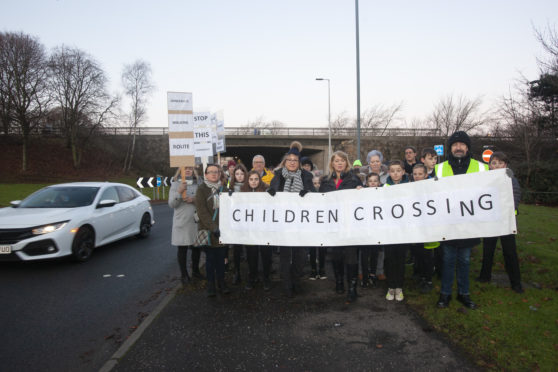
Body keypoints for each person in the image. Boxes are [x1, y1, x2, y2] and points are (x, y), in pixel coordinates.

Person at [435, 131, 488, 309]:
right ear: (450, 148)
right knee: (448, 260)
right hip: (448, 223)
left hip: (469, 224)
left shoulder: (481, 167)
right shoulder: (440, 168)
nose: (458, 147)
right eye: (455, 144)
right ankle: (445, 294)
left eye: (462, 144)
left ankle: (464, 294)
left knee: (465, 260)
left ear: (467, 147)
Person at [268, 141, 314, 297]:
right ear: (285, 162)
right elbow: (272, 193)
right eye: (290, 160)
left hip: (301, 224)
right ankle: (287, 284)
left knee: (300, 256)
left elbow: (314, 195)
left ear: (299, 163)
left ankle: (296, 281)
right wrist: (271, 193)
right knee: (286, 256)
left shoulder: (307, 176)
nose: (292, 163)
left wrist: (307, 192)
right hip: (283, 224)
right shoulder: (278, 175)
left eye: (295, 160)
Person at [319, 151, 362, 303]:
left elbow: (362, 201)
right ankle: (339, 281)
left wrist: (360, 192)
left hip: (349, 225)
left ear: (346, 163)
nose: (339, 163)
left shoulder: (354, 179)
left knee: (351, 256)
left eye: (342, 160)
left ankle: (352, 288)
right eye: (337, 160)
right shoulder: (325, 181)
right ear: (332, 163)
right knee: (336, 255)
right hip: (333, 225)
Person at [477, 151, 523, 293]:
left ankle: (516, 283)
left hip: (506, 221)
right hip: (491, 221)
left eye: (500, 163)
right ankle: (485, 276)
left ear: (505, 165)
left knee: (509, 251)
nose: (496, 166)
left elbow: (515, 195)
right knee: (488, 249)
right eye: (494, 163)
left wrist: (508, 209)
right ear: (490, 165)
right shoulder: (486, 179)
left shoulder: (510, 178)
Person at [195, 164, 230, 297]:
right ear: (206, 174)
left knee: (221, 259)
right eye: (211, 172)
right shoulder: (201, 190)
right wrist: (213, 227)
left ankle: (221, 282)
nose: (214, 174)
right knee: (210, 260)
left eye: (216, 172)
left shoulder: (225, 189)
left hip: (222, 231)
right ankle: (211, 285)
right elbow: (202, 212)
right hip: (209, 230)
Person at [169, 167, 204, 285]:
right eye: (185, 168)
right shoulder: (175, 184)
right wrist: (179, 192)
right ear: (181, 171)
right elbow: (172, 204)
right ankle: (184, 275)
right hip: (182, 222)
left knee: (196, 248)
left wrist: (194, 199)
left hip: (195, 221)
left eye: (190, 168)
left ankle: (195, 271)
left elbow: (203, 201)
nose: (188, 170)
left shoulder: (198, 183)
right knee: (182, 248)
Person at [240, 170, 273, 291]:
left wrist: (273, 194)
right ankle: (252, 277)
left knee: (266, 255)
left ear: (260, 180)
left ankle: (266, 278)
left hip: (264, 230)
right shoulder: (242, 192)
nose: (253, 182)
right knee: (251, 255)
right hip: (250, 231)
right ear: (247, 180)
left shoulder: (266, 190)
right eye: (251, 179)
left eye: (256, 179)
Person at [383, 160, 410, 302]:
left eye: (398, 170)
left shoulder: (410, 187)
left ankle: (399, 287)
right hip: (389, 231)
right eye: (392, 171)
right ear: (389, 173)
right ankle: (390, 286)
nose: (395, 173)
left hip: (403, 231)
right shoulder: (384, 187)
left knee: (400, 259)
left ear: (403, 172)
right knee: (389, 259)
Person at [411, 163, 437, 293]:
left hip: (428, 227)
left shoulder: (431, 187)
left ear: (426, 175)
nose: (417, 176)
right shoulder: (410, 187)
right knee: (418, 253)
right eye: (415, 174)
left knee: (428, 255)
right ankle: (420, 275)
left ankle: (428, 280)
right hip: (416, 227)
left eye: (420, 174)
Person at [360, 173, 382, 288]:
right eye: (370, 181)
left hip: (376, 230)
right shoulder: (362, 194)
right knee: (364, 254)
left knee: (374, 253)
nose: (373, 183)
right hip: (365, 229)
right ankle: (364, 276)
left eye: (375, 181)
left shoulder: (383, 194)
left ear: (379, 183)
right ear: (367, 183)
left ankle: (373, 274)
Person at [228, 164, 248, 285]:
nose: (239, 176)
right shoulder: (229, 187)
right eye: (237, 174)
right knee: (236, 249)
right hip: (235, 223)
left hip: (247, 222)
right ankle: (237, 272)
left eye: (241, 174)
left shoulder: (249, 186)